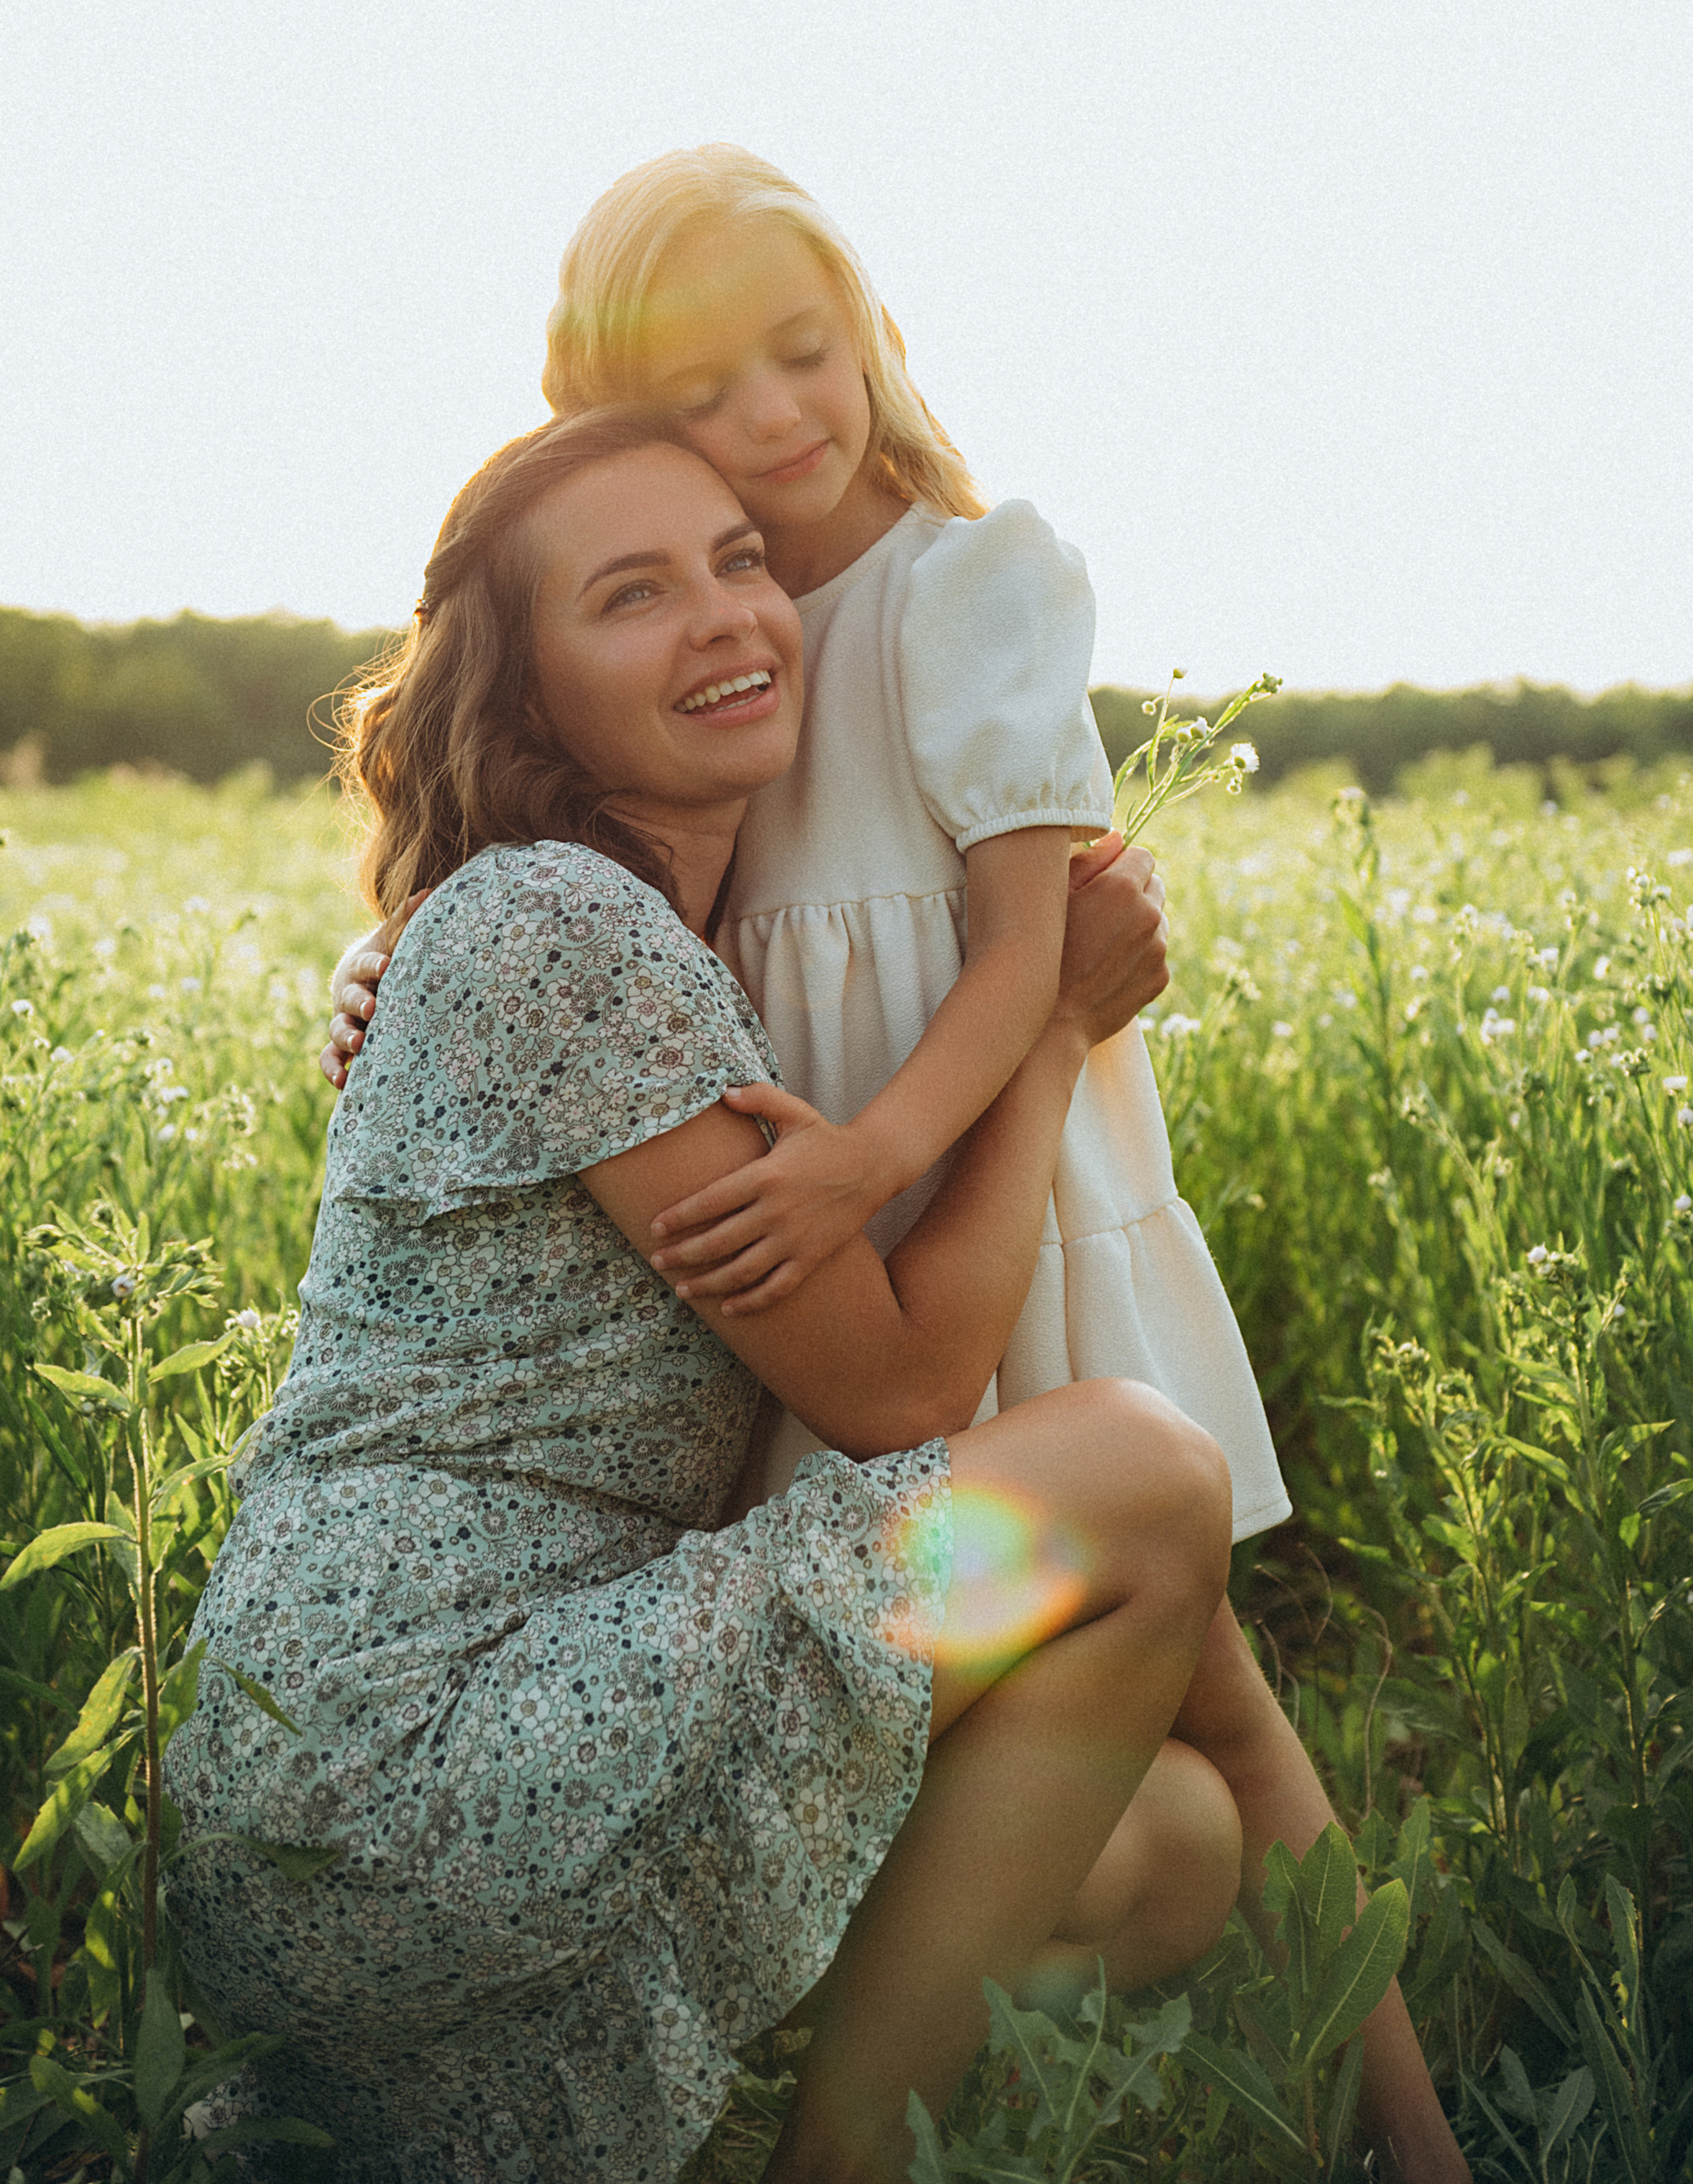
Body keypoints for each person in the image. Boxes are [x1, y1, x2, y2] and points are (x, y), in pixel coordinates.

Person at [321, 150, 1469, 2181]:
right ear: (614, 411)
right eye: (708, 388)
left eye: (808, 350)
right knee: (1084, 1696)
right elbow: (596, 923)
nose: (778, 417)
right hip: (834, 1253)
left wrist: (865, 1160)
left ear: (873, 335)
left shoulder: (961, 576)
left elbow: (1036, 947)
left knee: (1204, 1668)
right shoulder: (723, 646)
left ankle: (1414, 2128)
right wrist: (385, 970)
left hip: (957, 1209)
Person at [167, 407, 1239, 2184]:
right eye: (633, 593)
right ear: (525, 694)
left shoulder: (599, 935)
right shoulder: (555, 928)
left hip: (480, 1747)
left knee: (1166, 1848)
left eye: (741, 560)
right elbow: (897, 1390)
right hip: (408, 1751)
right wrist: (1042, 1022)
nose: (728, 615)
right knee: (1139, 1474)